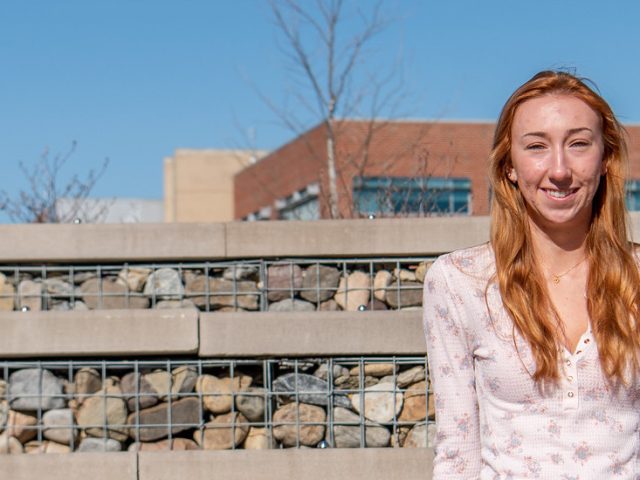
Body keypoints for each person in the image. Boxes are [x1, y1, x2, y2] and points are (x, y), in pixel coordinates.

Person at [423, 70, 640, 479]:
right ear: (509, 166)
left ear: (606, 159)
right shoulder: (459, 282)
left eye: (578, 144)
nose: (559, 169)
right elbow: (457, 450)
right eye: (537, 146)